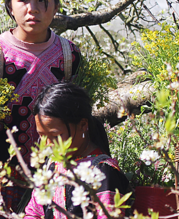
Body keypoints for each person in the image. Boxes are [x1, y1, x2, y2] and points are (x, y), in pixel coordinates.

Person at [0, 0, 82, 209]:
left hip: (54, 175)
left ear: (56, 5)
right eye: (23, 0)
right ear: (10, 6)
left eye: (42, 0)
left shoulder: (69, 55)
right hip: (1, 177)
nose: (33, 9)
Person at [25, 82, 131, 219]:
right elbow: (33, 213)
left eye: (55, 136)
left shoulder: (103, 172)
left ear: (83, 125)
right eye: (42, 135)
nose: (48, 144)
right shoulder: (52, 165)